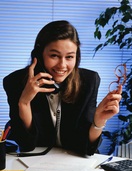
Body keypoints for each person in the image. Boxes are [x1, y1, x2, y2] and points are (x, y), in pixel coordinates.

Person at [3, 20, 122, 156]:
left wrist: (99, 120)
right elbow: (26, 145)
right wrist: (24, 103)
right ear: (39, 54)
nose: (62, 65)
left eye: (70, 57)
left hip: (73, 163)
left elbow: (87, 149)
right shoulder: (15, 82)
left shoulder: (89, 81)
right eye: (54, 55)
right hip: (35, 163)